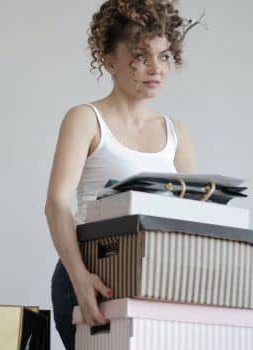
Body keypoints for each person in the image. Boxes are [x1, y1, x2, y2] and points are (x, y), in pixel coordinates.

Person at [43, 1, 197, 348]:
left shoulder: (178, 134)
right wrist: (79, 278)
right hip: (94, 277)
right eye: (141, 56)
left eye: (165, 56)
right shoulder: (85, 119)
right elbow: (56, 204)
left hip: (159, 282)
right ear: (110, 61)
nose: (156, 68)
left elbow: (191, 219)